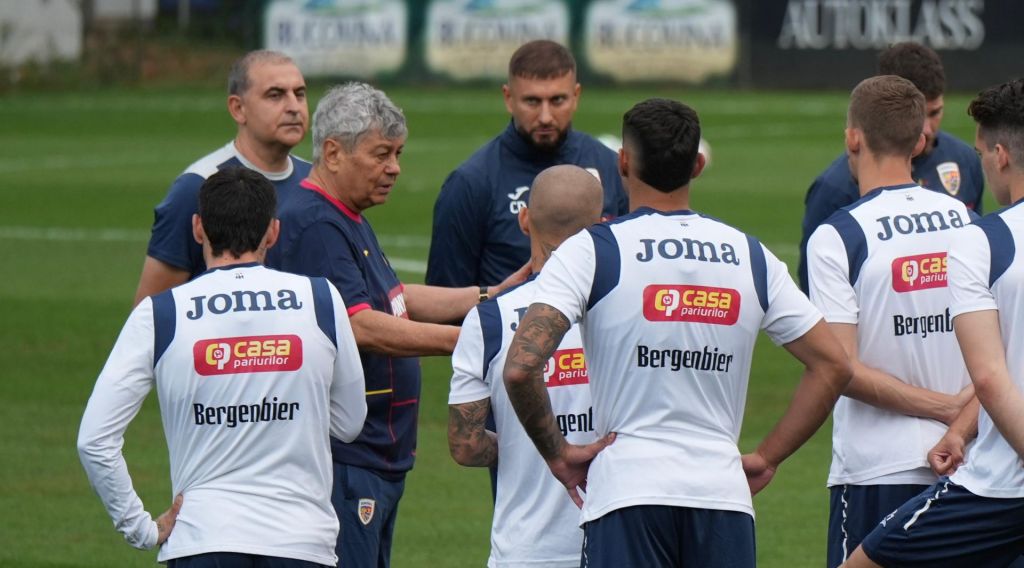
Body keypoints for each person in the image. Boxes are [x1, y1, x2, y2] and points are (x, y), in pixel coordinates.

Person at [502, 98, 852, 567]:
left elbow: (521, 367)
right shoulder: (750, 255)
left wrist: (559, 455)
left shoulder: (592, 250)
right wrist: (768, 456)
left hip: (626, 494)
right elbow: (834, 364)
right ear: (698, 166)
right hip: (721, 497)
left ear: (622, 163)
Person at [266, 82, 524, 568]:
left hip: (375, 456)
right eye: (381, 154)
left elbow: (393, 296)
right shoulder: (317, 224)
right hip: (348, 459)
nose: (395, 168)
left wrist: (490, 295)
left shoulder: (343, 213)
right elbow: (361, 326)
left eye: (398, 154)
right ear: (333, 153)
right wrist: (473, 341)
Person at [78, 167, 367, 567]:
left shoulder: (160, 313)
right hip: (301, 541)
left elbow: (94, 440)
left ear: (198, 228)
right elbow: (350, 422)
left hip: (202, 538)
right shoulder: (321, 298)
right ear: (273, 232)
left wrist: (140, 528)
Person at [841, 79, 1024, 568]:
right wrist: (960, 430)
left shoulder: (984, 239)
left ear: (1001, 156)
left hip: (1001, 487)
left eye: (982, 154)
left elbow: (991, 376)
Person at [804, 75, 978, 568]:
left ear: (852, 137)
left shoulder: (837, 236)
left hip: (877, 470)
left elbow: (840, 368)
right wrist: (960, 417)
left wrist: (943, 408)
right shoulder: (966, 221)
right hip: (967, 462)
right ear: (921, 140)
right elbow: (1005, 349)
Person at [447, 165, 606, 567]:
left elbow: (465, 446)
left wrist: (525, 445)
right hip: (618, 541)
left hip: (528, 549)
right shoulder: (623, 309)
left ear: (524, 219)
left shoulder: (489, 319)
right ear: (603, 227)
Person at [425, 39, 628, 289]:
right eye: (532, 101)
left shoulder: (611, 168)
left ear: (576, 96)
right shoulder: (470, 184)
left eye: (557, 100)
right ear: (508, 98)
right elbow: (445, 296)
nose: (545, 117)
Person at [798, 42, 984, 292]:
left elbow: (978, 261)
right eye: (918, 115)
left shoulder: (965, 160)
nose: (926, 129)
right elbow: (815, 291)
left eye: (935, 113)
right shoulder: (833, 188)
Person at [134, 50, 311, 305]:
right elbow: (150, 312)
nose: (294, 107)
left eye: (300, 94)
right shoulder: (197, 186)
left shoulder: (315, 181)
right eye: (275, 95)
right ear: (238, 109)